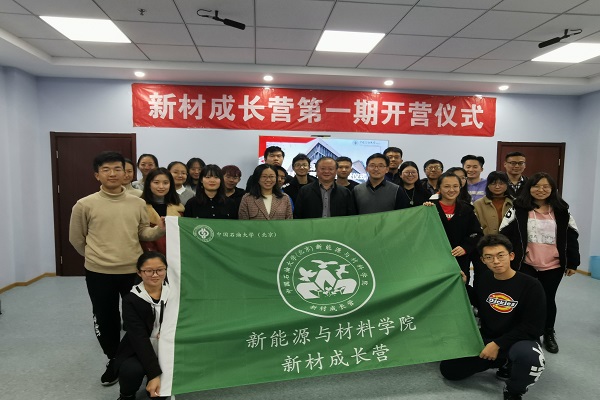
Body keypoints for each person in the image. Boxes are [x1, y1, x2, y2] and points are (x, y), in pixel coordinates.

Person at [69, 151, 165, 386]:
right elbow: (77, 239)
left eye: (117, 169)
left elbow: (142, 232)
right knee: (106, 318)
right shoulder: (84, 205)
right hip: (99, 272)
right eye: (106, 169)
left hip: (133, 270)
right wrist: (96, 258)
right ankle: (113, 359)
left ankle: (131, 357)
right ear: (97, 175)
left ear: (125, 173)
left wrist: (159, 231)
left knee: (139, 318)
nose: (112, 173)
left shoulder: (138, 202)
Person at [440, 234, 546, 400]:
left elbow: (534, 327)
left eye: (500, 255)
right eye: (489, 257)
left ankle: (513, 390)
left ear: (511, 256)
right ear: (483, 260)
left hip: (518, 340)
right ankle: (503, 361)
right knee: (449, 370)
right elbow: (479, 302)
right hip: (489, 338)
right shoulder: (485, 278)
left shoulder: (531, 285)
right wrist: (464, 285)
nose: (496, 261)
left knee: (530, 359)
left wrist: (498, 344)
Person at [499, 172, 580, 354]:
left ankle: (548, 332)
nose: (541, 190)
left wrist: (573, 262)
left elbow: (572, 236)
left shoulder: (562, 210)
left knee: (547, 299)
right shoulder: (519, 208)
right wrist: (509, 256)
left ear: (552, 189)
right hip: (526, 262)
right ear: (529, 188)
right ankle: (525, 332)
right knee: (526, 299)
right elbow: (504, 232)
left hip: (553, 265)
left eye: (546, 186)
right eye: (536, 186)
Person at [114, 251, 171, 400]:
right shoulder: (131, 300)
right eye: (148, 271)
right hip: (139, 347)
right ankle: (126, 395)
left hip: (168, 346)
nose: (155, 275)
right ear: (139, 272)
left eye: (160, 270)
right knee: (131, 371)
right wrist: (154, 374)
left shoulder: (174, 294)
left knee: (159, 394)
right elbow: (139, 339)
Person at [423, 171, 483, 278]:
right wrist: (423, 211)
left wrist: (465, 247)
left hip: (459, 260)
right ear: (439, 188)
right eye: (447, 186)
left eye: (455, 186)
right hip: (433, 260)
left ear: (460, 187)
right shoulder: (429, 207)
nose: (451, 190)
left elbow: (477, 234)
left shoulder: (466, 209)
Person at [140, 168, 184, 255]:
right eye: (156, 182)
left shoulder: (179, 209)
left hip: (174, 254)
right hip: (147, 255)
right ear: (148, 184)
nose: (161, 186)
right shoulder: (140, 207)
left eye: (165, 183)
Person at [474, 172, 513, 236]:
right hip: (485, 240)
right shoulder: (478, 204)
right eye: (493, 183)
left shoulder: (514, 203)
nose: (497, 187)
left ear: (507, 185)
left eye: (501, 183)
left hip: (509, 240)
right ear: (488, 185)